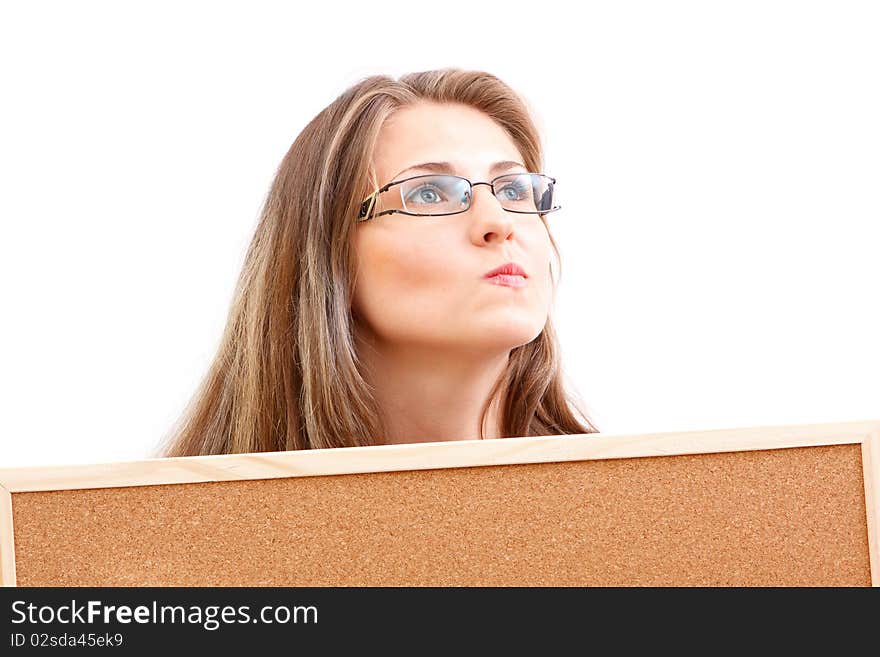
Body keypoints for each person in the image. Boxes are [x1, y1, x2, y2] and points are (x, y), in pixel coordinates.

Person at [156, 67, 598, 457]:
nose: (499, 222)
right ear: (330, 256)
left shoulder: (640, 506)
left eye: (514, 190)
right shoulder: (175, 527)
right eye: (429, 193)